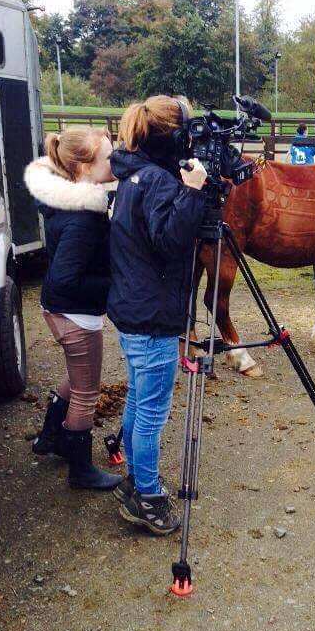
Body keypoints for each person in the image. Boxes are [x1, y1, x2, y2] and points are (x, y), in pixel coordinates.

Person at [108, 95, 207, 536]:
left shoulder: (132, 174)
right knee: (151, 413)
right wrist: (193, 193)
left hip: (133, 309)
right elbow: (171, 242)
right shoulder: (159, 182)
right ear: (172, 136)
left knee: (136, 401)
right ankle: (147, 496)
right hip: (152, 317)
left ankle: (135, 481)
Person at [25, 128, 122, 491]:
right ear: (82, 167)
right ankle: (80, 470)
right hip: (75, 315)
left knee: (77, 377)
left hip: (63, 310)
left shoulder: (71, 202)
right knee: (87, 392)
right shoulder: (83, 218)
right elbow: (66, 279)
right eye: (108, 158)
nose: (115, 162)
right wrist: (116, 285)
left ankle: (50, 438)